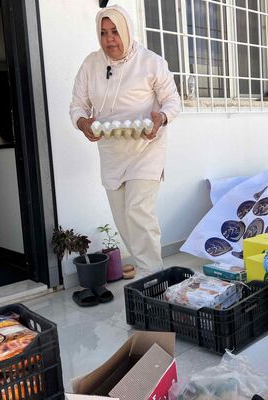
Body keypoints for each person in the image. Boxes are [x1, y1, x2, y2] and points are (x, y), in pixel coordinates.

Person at [69, 5, 181, 276]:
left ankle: (154, 279)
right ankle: (148, 274)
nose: (110, 39)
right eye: (104, 32)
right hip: (111, 151)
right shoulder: (91, 64)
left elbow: (172, 101)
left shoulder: (151, 62)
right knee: (123, 219)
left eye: (116, 32)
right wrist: (83, 123)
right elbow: (78, 106)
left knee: (138, 212)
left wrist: (160, 119)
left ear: (127, 31)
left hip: (147, 147)